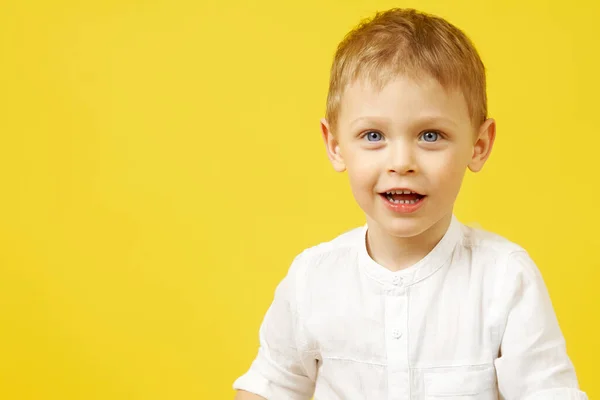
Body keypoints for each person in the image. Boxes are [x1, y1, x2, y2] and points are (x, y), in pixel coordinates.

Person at [233, 8, 587, 400]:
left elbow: (547, 391)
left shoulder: (505, 279)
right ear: (335, 146)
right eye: (372, 135)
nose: (401, 163)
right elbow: (271, 385)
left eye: (430, 135)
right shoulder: (312, 279)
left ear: (479, 145)